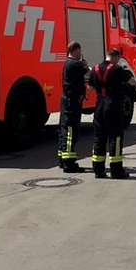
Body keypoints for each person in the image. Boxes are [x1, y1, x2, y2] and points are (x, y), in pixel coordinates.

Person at [88, 48, 136, 179]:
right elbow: (132, 82)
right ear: (116, 57)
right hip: (113, 107)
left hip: (99, 106)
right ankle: (116, 170)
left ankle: (98, 170)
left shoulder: (96, 68)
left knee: (99, 138)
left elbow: (90, 87)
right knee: (115, 138)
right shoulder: (117, 69)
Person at [59, 41, 88, 173]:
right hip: (72, 102)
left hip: (67, 101)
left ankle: (62, 159)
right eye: (80, 51)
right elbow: (90, 74)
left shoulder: (67, 63)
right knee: (71, 132)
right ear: (75, 50)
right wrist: (86, 65)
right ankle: (69, 163)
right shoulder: (76, 64)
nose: (80, 54)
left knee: (64, 130)